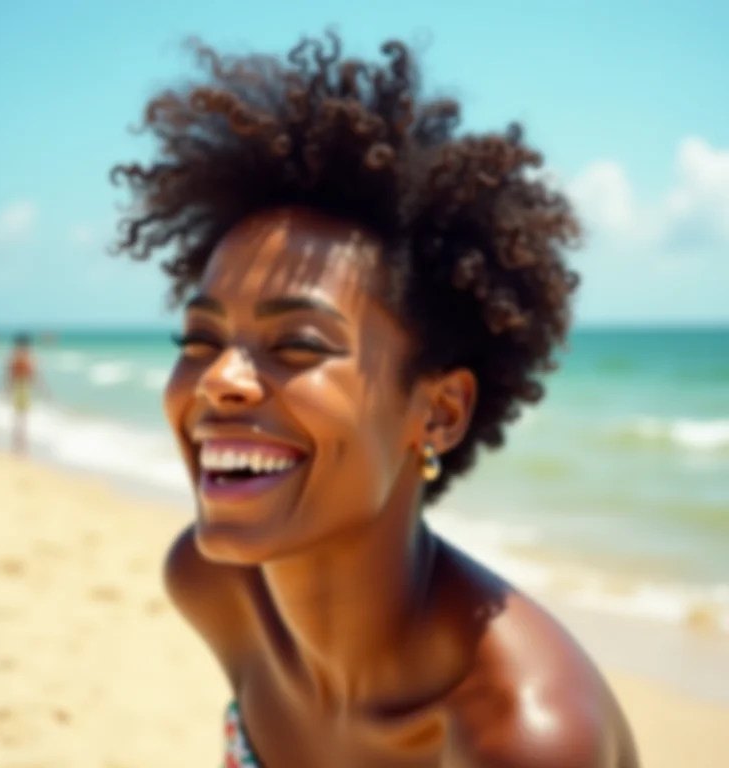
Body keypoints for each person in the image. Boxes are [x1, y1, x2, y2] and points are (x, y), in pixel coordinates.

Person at [111, 32, 639, 767]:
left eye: (298, 345)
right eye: (198, 341)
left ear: (441, 412)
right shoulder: (214, 588)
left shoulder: (522, 737)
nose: (218, 378)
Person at [4, 333, 46, 454]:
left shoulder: (13, 357)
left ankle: (16, 443)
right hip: (24, 388)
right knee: (23, 418)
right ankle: (22, 444)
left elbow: (8, 377)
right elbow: (35, 376)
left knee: (17, 418)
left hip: (17, 388)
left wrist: (6, 390)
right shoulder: (28, 357)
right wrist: (43, 390)